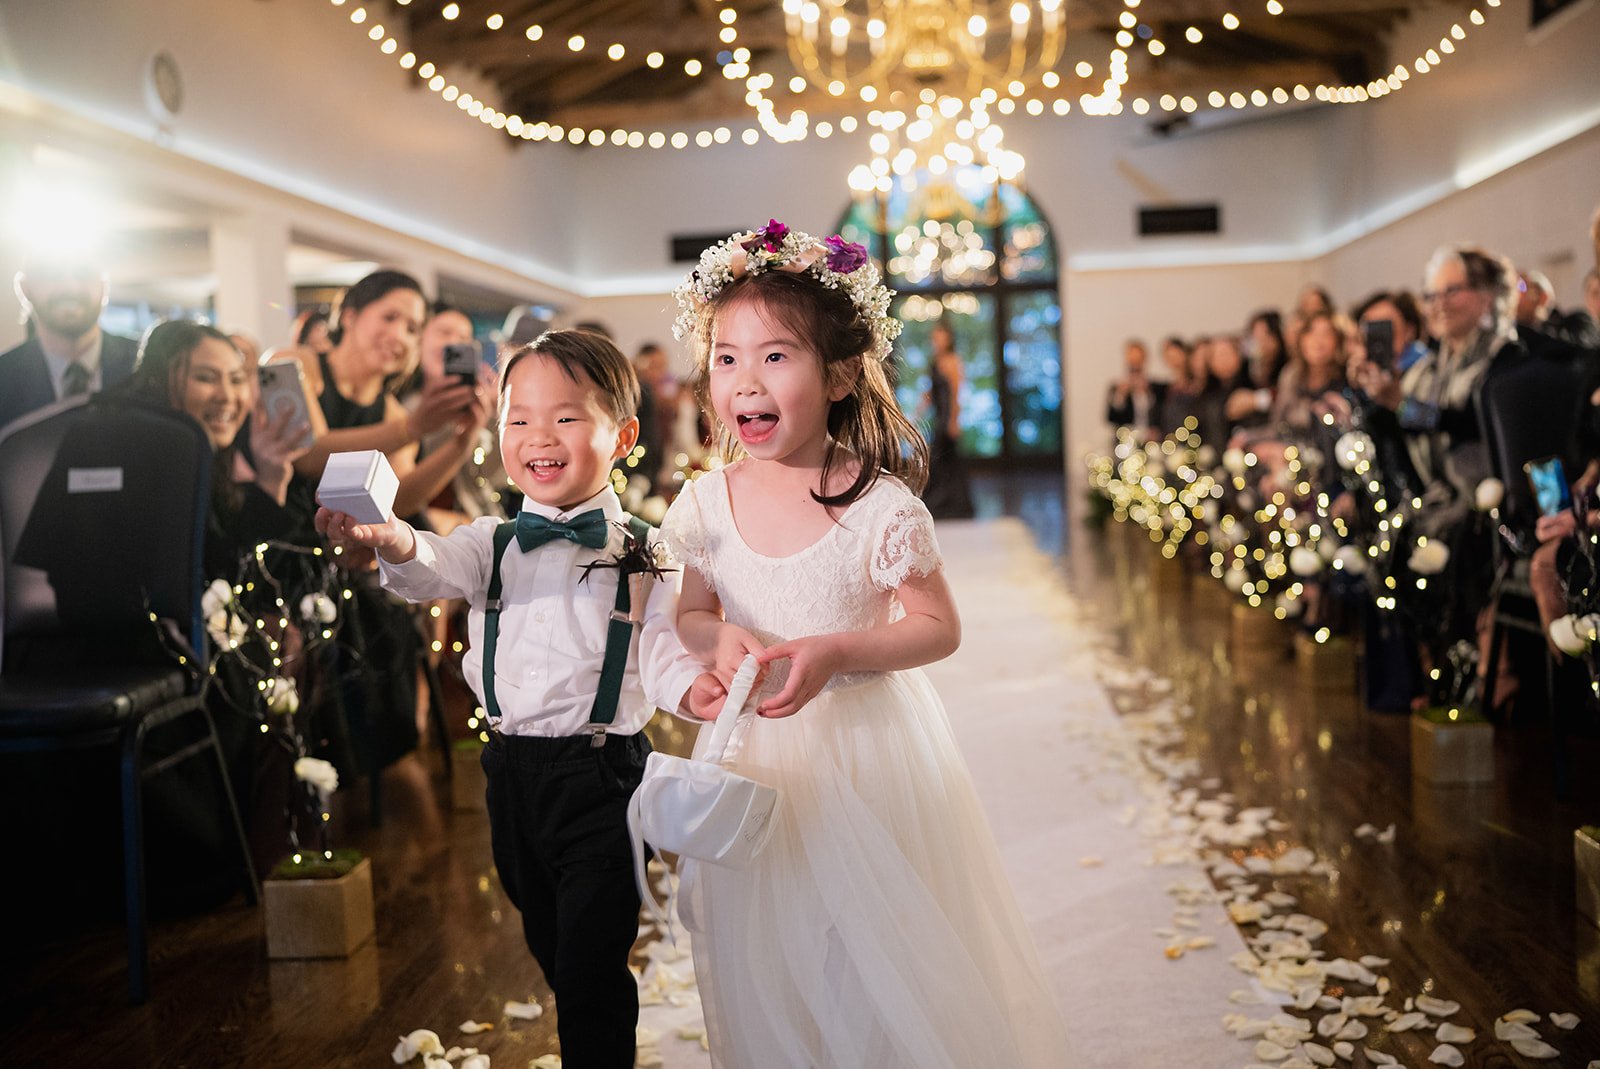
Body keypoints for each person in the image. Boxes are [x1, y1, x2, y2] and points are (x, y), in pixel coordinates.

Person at [661, 221, 1069, 1067]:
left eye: (776, 356)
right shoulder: (704, 504)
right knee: (768, 940)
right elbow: (691, 615)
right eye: (727, 358)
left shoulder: (881, 506)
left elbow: (937, 626)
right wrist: (717, 637)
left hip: (865, 753)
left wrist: (840, 650)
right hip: (756, 752)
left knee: (869, 947)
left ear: (843, 373)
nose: (746, 380)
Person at [316, 329, 719, 1069]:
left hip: (603, 779)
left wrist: (693, 686)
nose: (538, 435)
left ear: (622, 435)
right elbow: (428, 562)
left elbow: (661, 647)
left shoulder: (648, 550)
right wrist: (390, 539)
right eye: (518, 418)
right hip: (510, 778)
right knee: (549, 936)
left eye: (565, 417)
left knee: (589, 964)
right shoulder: (490, 540)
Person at [0, 251, 139, 432]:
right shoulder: (4, 379)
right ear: (24, 289)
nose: (70, 288)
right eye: (51, 275)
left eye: (84, 273)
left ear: (104, 286)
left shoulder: (148, 367)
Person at [922, 320, 975, 519]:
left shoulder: (953, 360)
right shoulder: (935, 361)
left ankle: (954, 504)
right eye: (935, 337)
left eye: (940, 336)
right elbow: (930, 392)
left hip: (947, 417)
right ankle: (943, 503)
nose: (936, 340)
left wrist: (954, 420)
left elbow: (956, 393)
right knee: (941, 461)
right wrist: (917, 412)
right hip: (938, 416)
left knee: (946, 460)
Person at [1105, 336, 1163, 433]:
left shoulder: (1156, 388)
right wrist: (1121, 395)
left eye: (1138, 360)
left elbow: (1162, 417)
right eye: (1132, 361)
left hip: (1152, 443)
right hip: (1125, 441)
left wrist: (1147, 392)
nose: (1135, 365)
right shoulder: (1117, 388)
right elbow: (1111, 418)